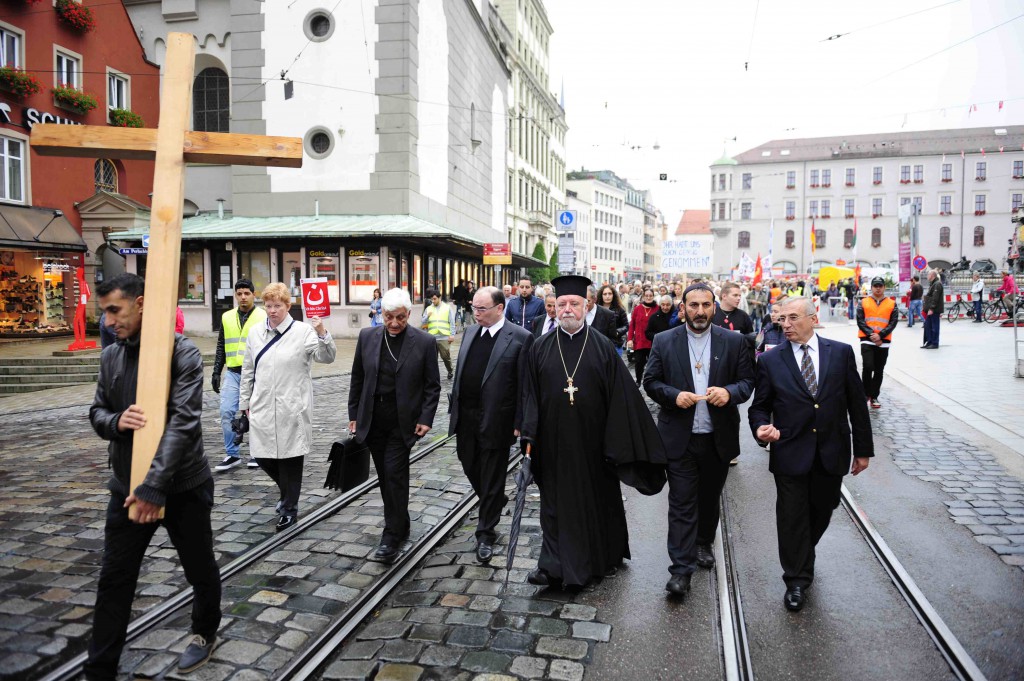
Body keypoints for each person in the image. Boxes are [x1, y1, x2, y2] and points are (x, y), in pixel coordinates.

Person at [87, 273, 221, 677]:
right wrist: (115, 422)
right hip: (127, 489)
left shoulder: (184, 353)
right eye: (104, 312)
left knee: (199, 568)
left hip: (183, 486)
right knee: (114, 579)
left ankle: (204, 632)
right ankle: (100, 667)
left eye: (115, 310)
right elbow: (96, 412)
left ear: (140, 302)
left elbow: (183, 423)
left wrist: (155, 487)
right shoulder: (111, 356)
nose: (109, 322)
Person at [520, 275, 666, 589]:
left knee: (595, 503)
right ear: (555, 308)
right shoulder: (540, 347)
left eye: (574, 304)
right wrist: (529, 435)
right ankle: (552, 565)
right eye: (561, 304)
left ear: (587, 305)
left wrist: (616, 442)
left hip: (595, 444)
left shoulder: (601, 347)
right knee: (553, 506)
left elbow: (622, 399)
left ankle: (600, 559)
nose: (567, 309)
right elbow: (529, 394)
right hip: (553, 444)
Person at [748, 296, 873, 612]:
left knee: (824, 508)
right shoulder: (770, 360)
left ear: (812, 318)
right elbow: (760, 407)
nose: (785, 324)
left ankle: (803, 551)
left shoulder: (841, 353)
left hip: (831, 451)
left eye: (792, 318)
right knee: (791, 518)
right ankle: (796, 580)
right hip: (790, 452)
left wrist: (863, 450)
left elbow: (857, 405)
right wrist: (762, 428)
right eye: (782, 319)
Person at [644, 283, 754, 598]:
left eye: (706, 305)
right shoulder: (665, 341)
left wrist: (730, 393)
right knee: (681, 502)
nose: (700, 311)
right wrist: (674, 396)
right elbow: (650, 382)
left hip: (717, 438)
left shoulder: (733, 341)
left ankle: (704, 540)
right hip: (679, 438)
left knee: (708, 497)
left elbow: (748, 382)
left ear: (714, 306)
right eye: (693, 305)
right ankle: (680, 571)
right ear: (683, 307)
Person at [349, 288, 441, 563]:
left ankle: (391, 535)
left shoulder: (424, 342)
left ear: (408, 314)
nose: (394, 323)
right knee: (386, 477)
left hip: (403, 423)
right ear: (381, 313)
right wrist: (354, 412)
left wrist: (426, 418)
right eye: (389, 317)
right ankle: (401, 520)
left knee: (395, 474)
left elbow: (432, 386)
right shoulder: (367, 336)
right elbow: (357, 377)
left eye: (400, 317)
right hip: (373, 419)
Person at [238, 283, 336, 531]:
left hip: (292, 407)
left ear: (288, 306)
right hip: (261, 405)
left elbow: (327, 357)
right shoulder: (255, 333)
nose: (272, 311)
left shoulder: (303, 332)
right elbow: (248, 371)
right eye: (268, 306)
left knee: (290, 459)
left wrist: (322, 331)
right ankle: (288, 493)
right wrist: (243, 405)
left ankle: (289, 508)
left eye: (277, 306)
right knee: (261, 455)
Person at [449, 286, 533, 562]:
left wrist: (521, 421)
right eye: (474, 307)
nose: (476, 313)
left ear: (500, 308)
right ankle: (494, 499)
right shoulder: (471, 332)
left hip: (498, 419)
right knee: (468, 461)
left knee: (492, 473)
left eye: (481, 309)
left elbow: (525, 386)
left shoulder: (520, 338)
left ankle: (485, 533)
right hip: (466, 417)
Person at [211, 279, 268, 472]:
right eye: (239, 294)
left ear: (254, 295)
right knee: (226, 411)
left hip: (257, 373)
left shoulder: (264, 315)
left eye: (247, 293)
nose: (243, 297)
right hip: (234, 373)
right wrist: (216, 371)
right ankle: (232, 454)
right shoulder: (227, 317)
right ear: (235, 295)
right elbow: (221, 345)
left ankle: (257, 454)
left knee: (256, 414)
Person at [856, 277, 898, 409]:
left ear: (884, 287)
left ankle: (874, 396)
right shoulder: (863, 302)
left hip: (883, 341)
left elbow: (893, 322)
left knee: (879, 370)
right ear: (872, 287)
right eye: (875, 286)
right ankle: (865, 394)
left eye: (880, 286)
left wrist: (881, 335)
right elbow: (860, 320)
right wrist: (872, 335)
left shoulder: (892, 303)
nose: (878, 288)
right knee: (868, 367)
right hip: (867, 340)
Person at [421, 289, 456, 379]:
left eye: (435, 299)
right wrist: (427, 316)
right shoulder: (428, 308)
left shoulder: (447, 307)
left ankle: (450, 370)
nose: (433, 301)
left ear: (439, 298)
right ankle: (433, 375)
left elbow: (452, 322)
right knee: (432, 359)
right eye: (432, 299)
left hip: (444, 336)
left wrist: (452, 335)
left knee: (445, 356)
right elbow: (423, 322)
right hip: (432, 337)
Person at [626, 288, 658, 384]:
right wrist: (629, 339)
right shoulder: (637, 308)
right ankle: (639, 380)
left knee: (653, 363)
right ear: (643, 296)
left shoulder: (657, 308)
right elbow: (632, 325)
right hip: (639, 341)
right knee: (639, 362)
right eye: (646, 295)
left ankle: (652, 381)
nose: (648, 297)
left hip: (653, 341)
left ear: (653, 296)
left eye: (650, 296)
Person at [598, 284, 629, 352]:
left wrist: (617, 332)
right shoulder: (596, 309)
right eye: (605, 294)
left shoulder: (620, 309)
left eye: (610, 294)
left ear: (613, 295)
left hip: (615, 344)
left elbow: (626, 326)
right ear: (601, 295)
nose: (607, 296)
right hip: (599, 344)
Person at [921, 269, 944, 349]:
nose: (927, 276)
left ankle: (935, 343)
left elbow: (935, 298)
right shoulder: (933, 284)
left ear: (932, 276)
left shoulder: (937, 284)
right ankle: (929, 342)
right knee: (928, 326)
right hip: (930, 309)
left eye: (928, 275)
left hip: (934, 310)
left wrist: (931, 308)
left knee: (934, 327)